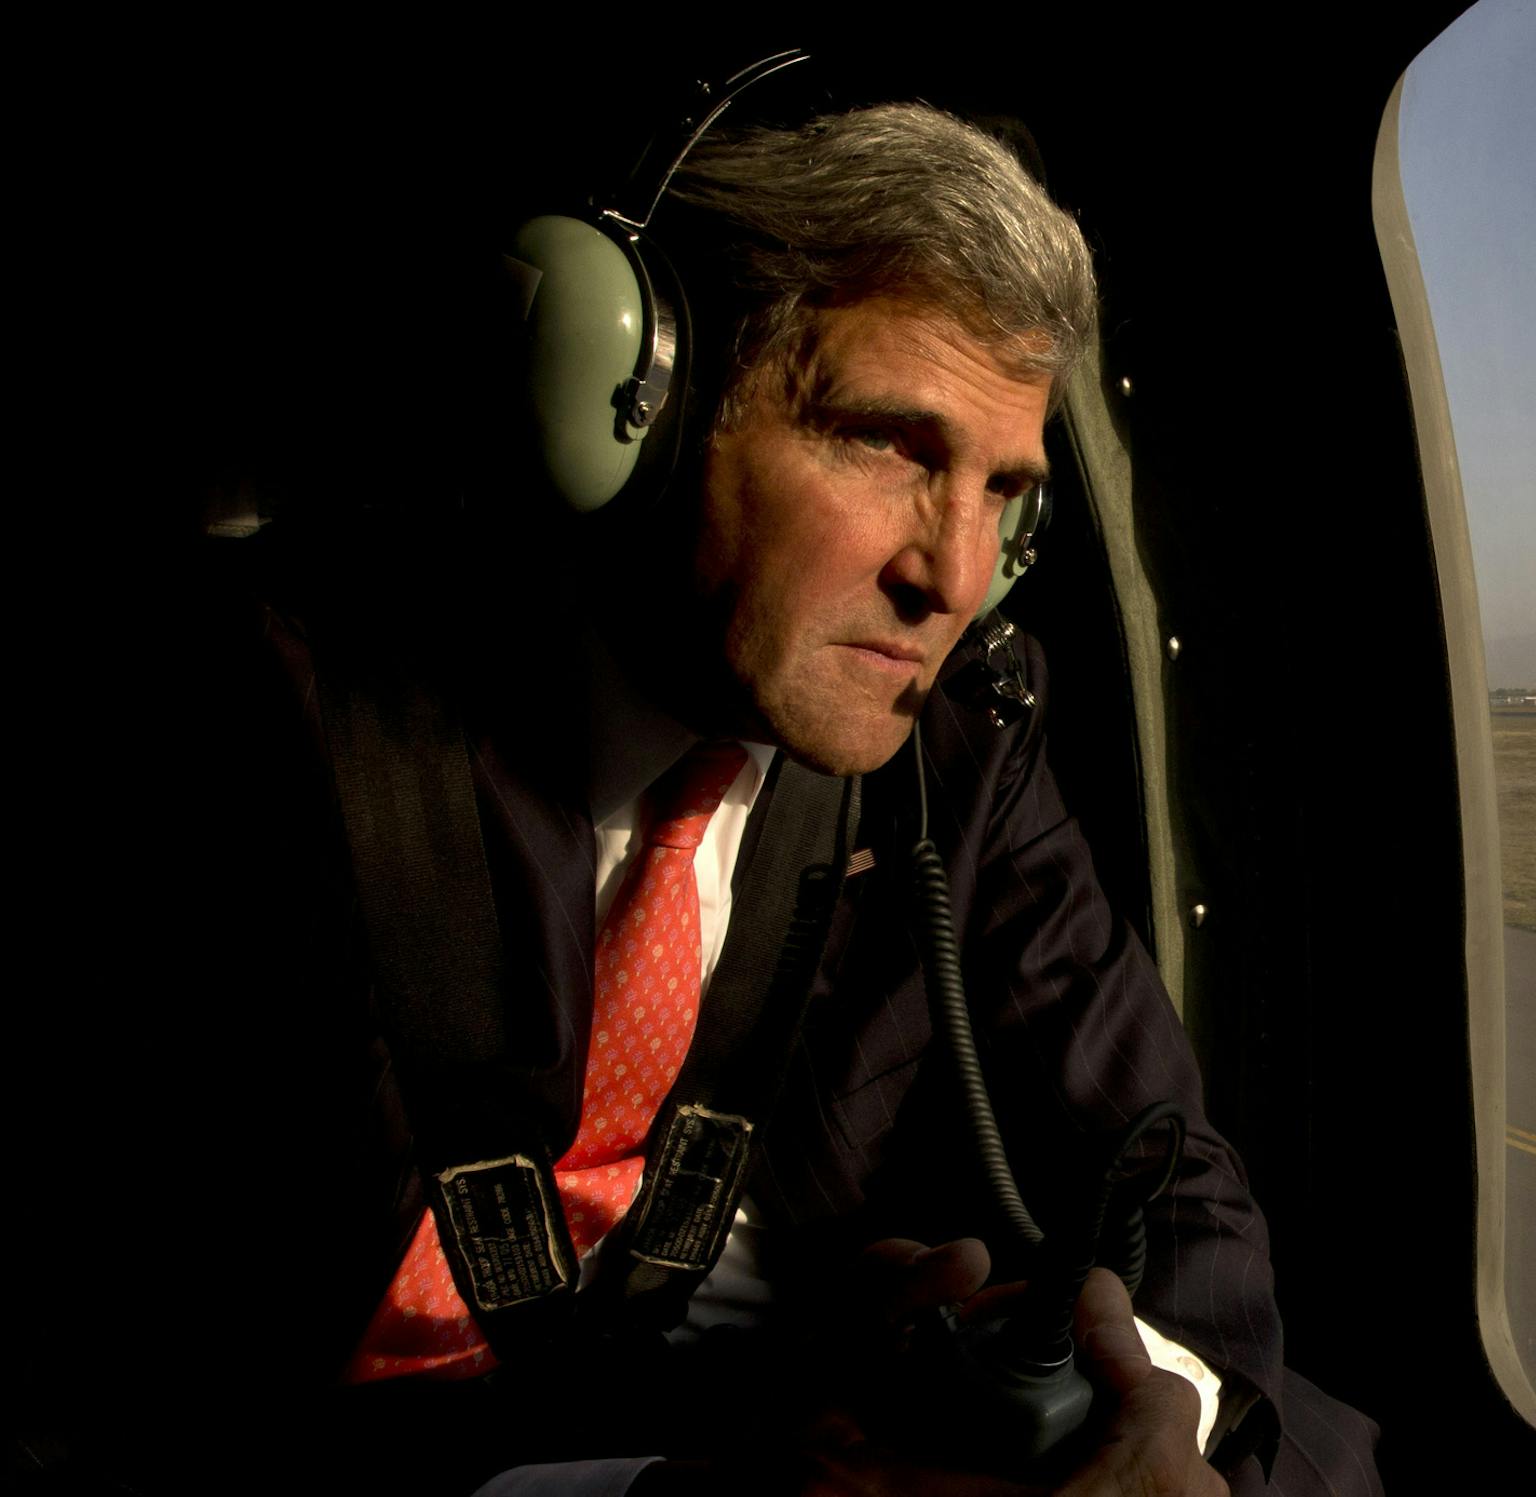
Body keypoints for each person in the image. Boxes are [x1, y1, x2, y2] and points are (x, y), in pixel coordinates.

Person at [19, 97, 1379, 1496]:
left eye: (1004, 496)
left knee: (1320, 1450)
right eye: (885, 445)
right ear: (644, 415)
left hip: (717, 1385)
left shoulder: (966, 735)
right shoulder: (250, 722)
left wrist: (1148, 1436)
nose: (953, 578)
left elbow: (1168, 1165)